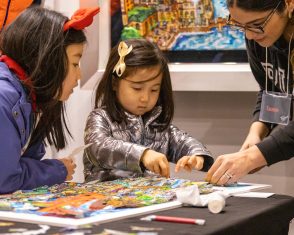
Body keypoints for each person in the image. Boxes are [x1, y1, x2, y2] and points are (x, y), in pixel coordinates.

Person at [83, 39, 214, 182]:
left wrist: (196, 155)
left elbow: (182, 141)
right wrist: (143, 155)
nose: (145, 98)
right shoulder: (100, 118)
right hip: (104, 200)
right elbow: (98, 147)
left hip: (147, 201)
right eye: (137, 88)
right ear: (115, 83)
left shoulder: (158, 125)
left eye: (154, 89)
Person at [0, 6, 99, 193]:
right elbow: (5, 179)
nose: (79, 75)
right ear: (47, 59)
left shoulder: (32, 101)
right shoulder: (4, 98)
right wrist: (57, 170)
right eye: (75, 63)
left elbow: (25, 163)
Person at [206, 0, 294, 185]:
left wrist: (252, 157)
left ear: (289, 4)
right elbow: (270, 88)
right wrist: (256, 133)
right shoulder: (259, 39)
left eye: (257, 25)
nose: (249, 35)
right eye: (240, 25)